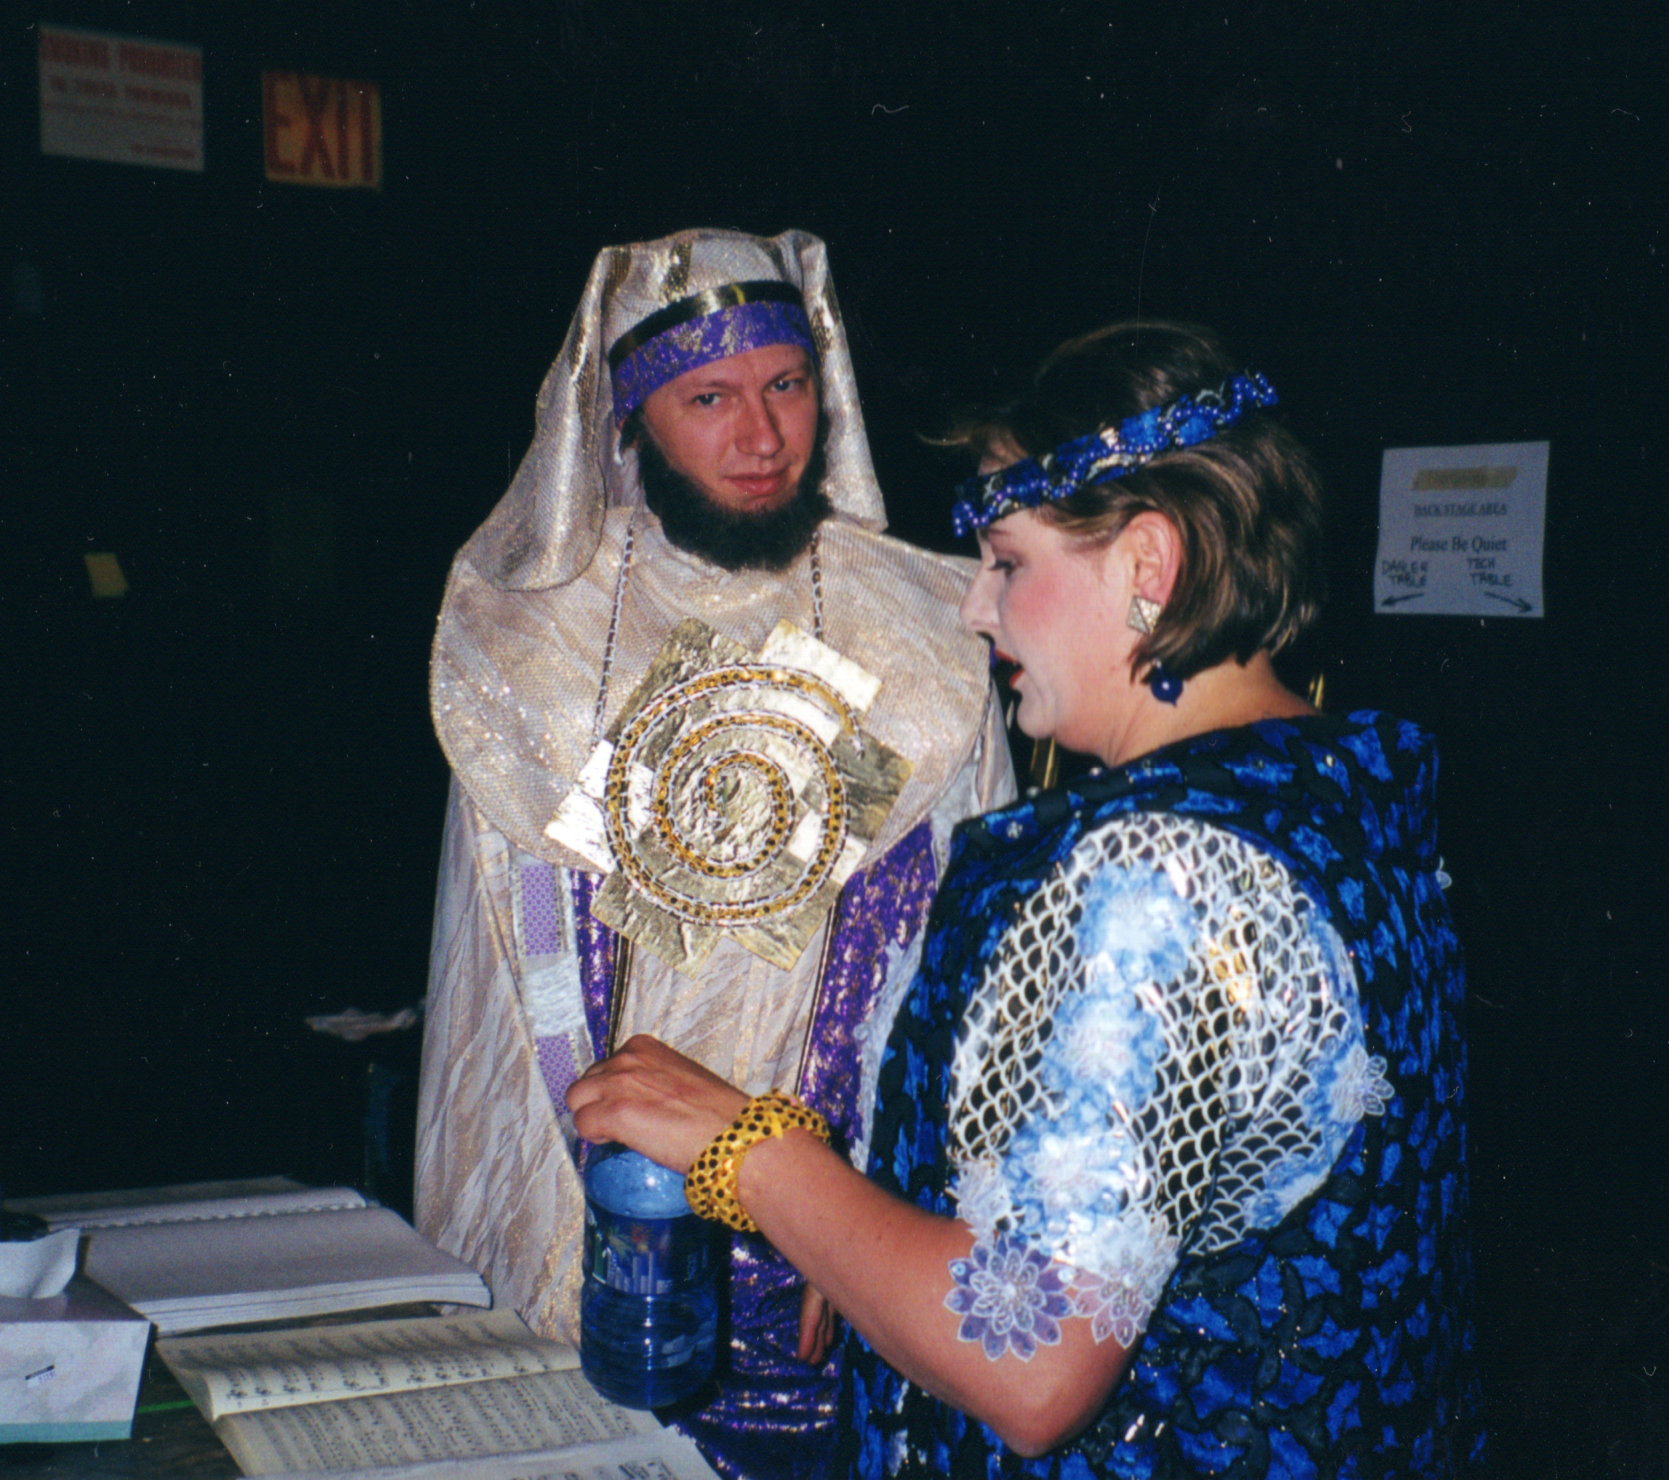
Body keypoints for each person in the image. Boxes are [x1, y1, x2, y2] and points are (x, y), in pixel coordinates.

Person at [568, 321, 1482, 1476]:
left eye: (1008, 562)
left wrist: (746, 1151)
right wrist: (863, 1232)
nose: (975, 608)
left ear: (1147, 566)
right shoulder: (1332, 783)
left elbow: (1033, 1361)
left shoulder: (1160, 870)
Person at [416, 228, 1012, 1478]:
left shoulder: (929, 630)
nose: (761, 436)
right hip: (602, 1242)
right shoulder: (528, 640)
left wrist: (894, 1218)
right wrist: (522, 1259)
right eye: (708, 399)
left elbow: (975, 974)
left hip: (839, 1248)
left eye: (785, 384)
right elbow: (492, 1006)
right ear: (628, 417)